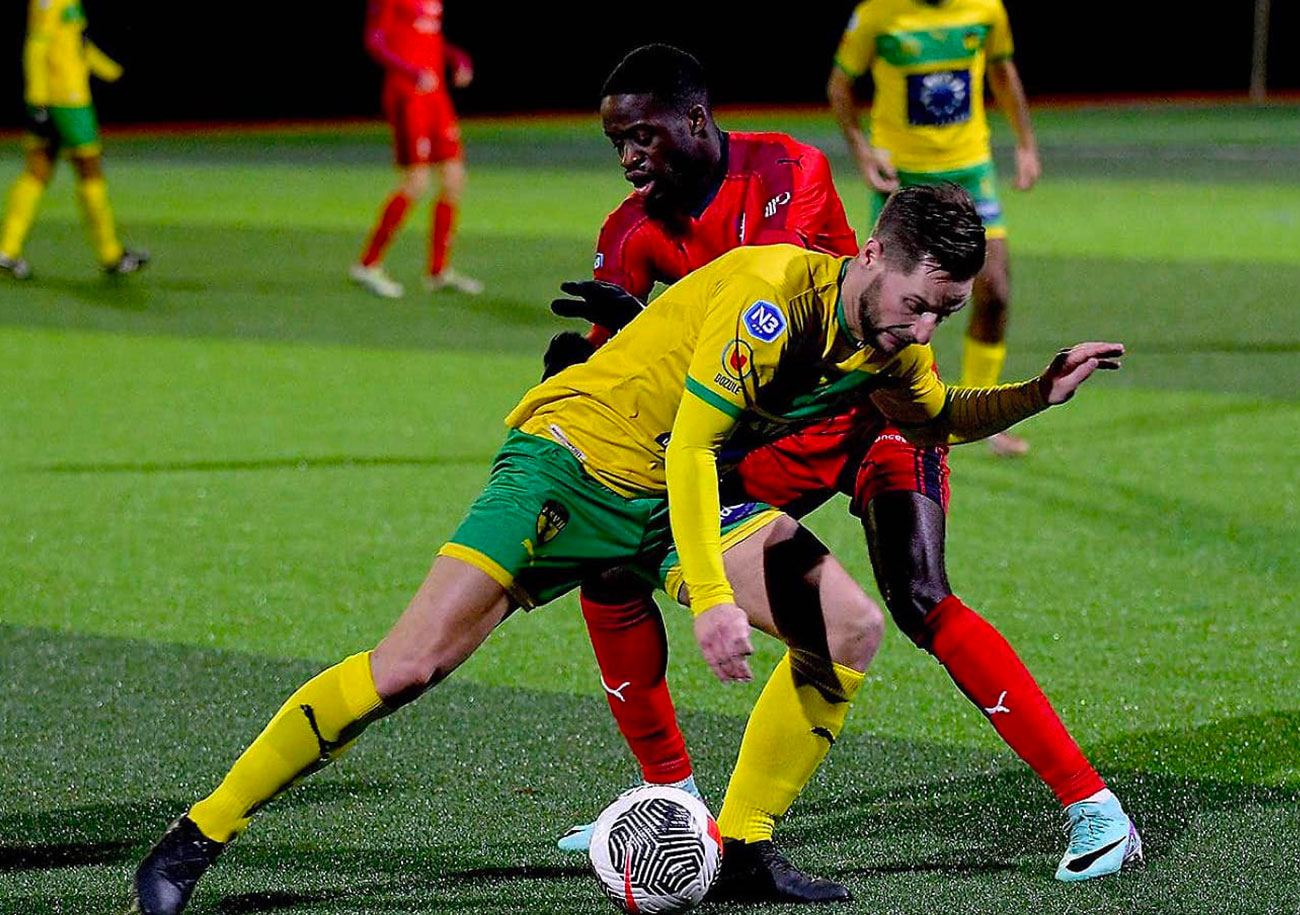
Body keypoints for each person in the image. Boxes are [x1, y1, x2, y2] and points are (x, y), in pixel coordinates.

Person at [129, 182, 1118, 914]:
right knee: (408, 666)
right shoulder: (772, 301)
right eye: (919, 301)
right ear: (872, 254)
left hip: (669, 497)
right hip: (568, 465)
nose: (926, 323)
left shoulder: (893, 340)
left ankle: (739, 852)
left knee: (846, 631)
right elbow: (693, 447)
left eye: (945, 309)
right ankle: (194, 838)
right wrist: (720, 604)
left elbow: (936, 415)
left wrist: (1036, 391)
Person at [549, 45, 1139, 890]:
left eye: (642, 135)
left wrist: (1032, 393)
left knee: (919, 597)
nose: (630, 156)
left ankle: (1095, 807)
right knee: (610, 559)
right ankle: (669, 804)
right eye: (617, 142)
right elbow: (636, 384)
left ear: (693, 120)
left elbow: (790, 314)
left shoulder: (789, 169)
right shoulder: (626, 236)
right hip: (771, 441)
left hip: (871, 416)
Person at [828, 0, 1040, 456]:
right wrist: (862, 150)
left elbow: (1002, 73)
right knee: (892, 306)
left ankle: (981, 418)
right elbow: (840, 84)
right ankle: (887, 417)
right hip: (902, 177)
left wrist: (1025, 144)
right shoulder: (878, 14)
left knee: (996, 289)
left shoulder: (986, 11)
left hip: (970, 170)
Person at [0, 0, 148, 280]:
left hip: (59, 96)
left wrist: (111, 72)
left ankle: (7, 251)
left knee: (38, 169)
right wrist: (37, 99)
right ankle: (110, 254)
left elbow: (77, 43)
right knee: (89, 168)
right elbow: (37, 46)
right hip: (67, 99)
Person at [349, 0, 482, 299]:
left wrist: (455, 57)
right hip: (408, 94)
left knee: (453, 180)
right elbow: (375, 40)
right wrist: (410, 71)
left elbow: (428, 38)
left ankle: (438, 272)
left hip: (436, 95)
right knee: (416, 182)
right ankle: (367, 265)